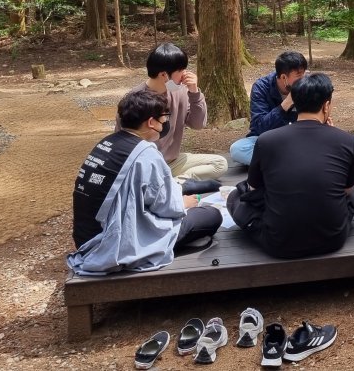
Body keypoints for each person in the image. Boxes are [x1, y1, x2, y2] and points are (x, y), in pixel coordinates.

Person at [69, 89, 221, 275]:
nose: (165, 123)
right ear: (151, 122)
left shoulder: (106, 143)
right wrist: (184, 203)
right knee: (211, 215)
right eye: (163, 118)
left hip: (84, 238)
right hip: (111, 244)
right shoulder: (145, 153)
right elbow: (167, 208)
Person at [227, 73, 354, 259]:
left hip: (279, 243)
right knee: (353, 188)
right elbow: (347, 190)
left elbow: (254, 189)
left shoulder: (266, 140)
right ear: (326, 105)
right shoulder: (345, 140)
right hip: (333, 239)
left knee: (234, 197)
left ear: (295, 102)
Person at [126, 43, 226, 181]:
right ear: (163, 75)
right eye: (181, 70)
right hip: (145, 167)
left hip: (172, 162)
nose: (185, 74)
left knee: (219, 164)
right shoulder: (135, 100)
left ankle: (177, 182)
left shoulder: (180, 91)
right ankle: (168, 183)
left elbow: (198, 124)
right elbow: (123, 144)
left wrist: (194, 92)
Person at [228, 51, 308, 166]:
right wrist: (285, 104)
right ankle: (292, 162)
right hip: (270, 140)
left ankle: (279, 163)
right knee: (238, 149)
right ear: (284, 77)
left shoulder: (308, 86)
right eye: (298, 75)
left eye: (303, 74)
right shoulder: (261, 87)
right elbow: (259, 126)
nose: (303, 79)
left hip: (299, 139)